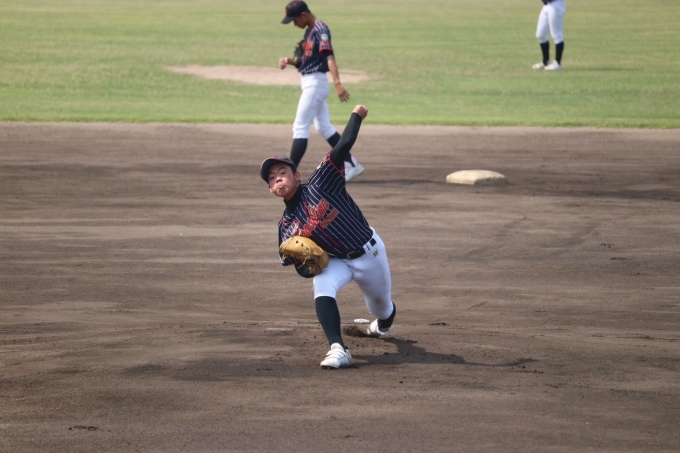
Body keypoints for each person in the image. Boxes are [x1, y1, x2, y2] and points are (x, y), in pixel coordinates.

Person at [260, 105, 396, 369]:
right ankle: (338, 348)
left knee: (381, 309)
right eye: (272, 178)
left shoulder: (321, 182)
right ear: (271, 190)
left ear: (296, 176)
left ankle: (383, 324)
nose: (278, 179)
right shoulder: (286, 226)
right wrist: (309, 268)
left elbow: (342, 147)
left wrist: (356, 116)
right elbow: (299, 268)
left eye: (282, 173)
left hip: (369, 252)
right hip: (337, 262)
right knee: (321, 285)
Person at [279, 0, 365, 182]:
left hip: (316, 84)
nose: (294, 24)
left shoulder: (320, 30)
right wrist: (289, 60)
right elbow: (305, 61)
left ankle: (289, 173)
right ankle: (352, 164)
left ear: (304, 15)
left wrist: (338, 83)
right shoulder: (310, 31)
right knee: (323, 127)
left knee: (300, 127)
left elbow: (329, 57)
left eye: (295, 20)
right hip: (311, 82)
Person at [532, 0, 567, 71]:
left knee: (556, 34)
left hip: (556, 5)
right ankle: (546, 62)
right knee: (540, 34)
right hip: (546, 5)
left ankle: (557, 63)